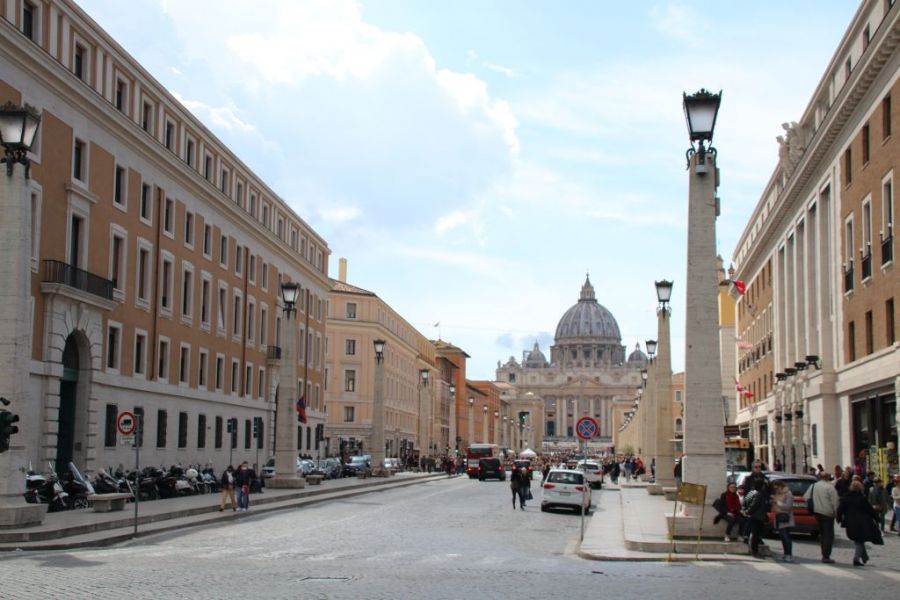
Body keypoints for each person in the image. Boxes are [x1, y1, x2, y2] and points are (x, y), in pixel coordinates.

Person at [838, 479, 883, 566]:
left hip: (850, 522)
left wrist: (839, 519)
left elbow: (840, 509)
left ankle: (864, 557)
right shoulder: (862, 498)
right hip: (861, 522)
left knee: (858, 539)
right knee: (859, 540)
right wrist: (877, 518)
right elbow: (869, 509)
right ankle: (856, 558)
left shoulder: (845, 497)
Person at [804, 470, 840, 563]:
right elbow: (835, 502)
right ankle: (826, 555)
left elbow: (806, 497)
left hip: (817, 512)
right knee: (828, 535)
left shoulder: (813, 486)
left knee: (823, 533)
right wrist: (837, 514)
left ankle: (824, 553)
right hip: (828, 513)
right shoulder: (830, 487)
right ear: (827, 477)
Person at [742, 478, 769, 558]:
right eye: (763, 485)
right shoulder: (758, 494)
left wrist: (746, 511)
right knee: (756, 535)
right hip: (757, 516)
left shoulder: (753, 492)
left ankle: (755, 550)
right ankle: (755, 551)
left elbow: (747, 501)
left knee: (756, 534)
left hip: (755, 516)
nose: (764, 487)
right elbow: (753, 505)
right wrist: (747, 512)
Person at [771, 481, 795, 562]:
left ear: (781, 486)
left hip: (785, 517)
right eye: (774, 488)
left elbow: (788, 506)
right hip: (778, 517)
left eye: (777, 488)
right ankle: (785, 554)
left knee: (786, 536)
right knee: (782, 537)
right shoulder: (778, 494)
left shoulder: (788, 494)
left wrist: (777, 502)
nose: (776, 490)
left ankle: (789, 554)